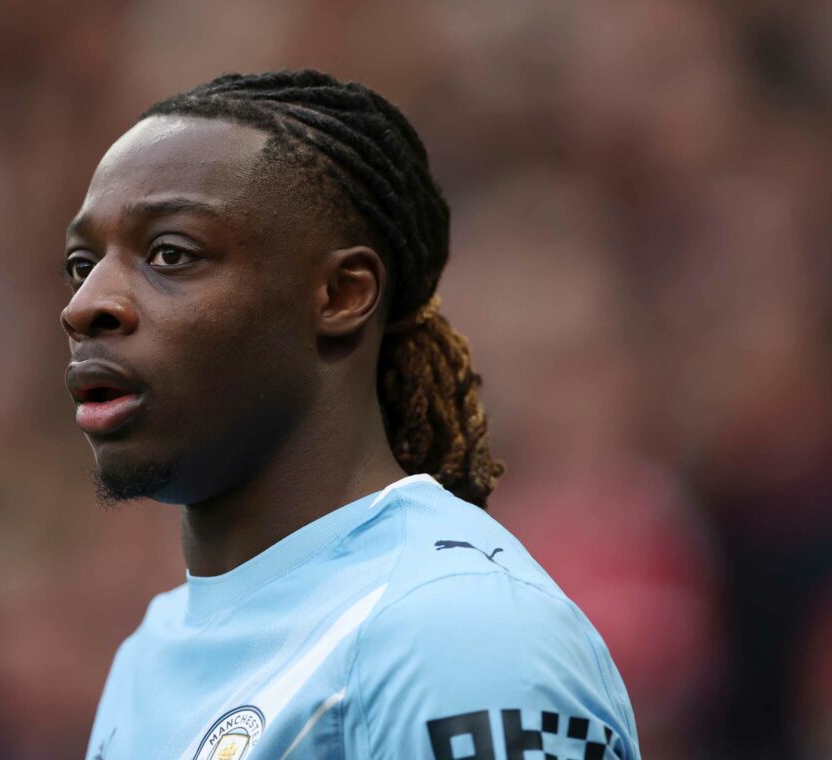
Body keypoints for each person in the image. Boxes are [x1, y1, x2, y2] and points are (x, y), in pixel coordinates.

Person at [62, 69, 640, 760]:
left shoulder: (459, 630)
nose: (84, 305)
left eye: (171, 254)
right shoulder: (149, 654)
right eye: (81, 264)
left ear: (341, 295)